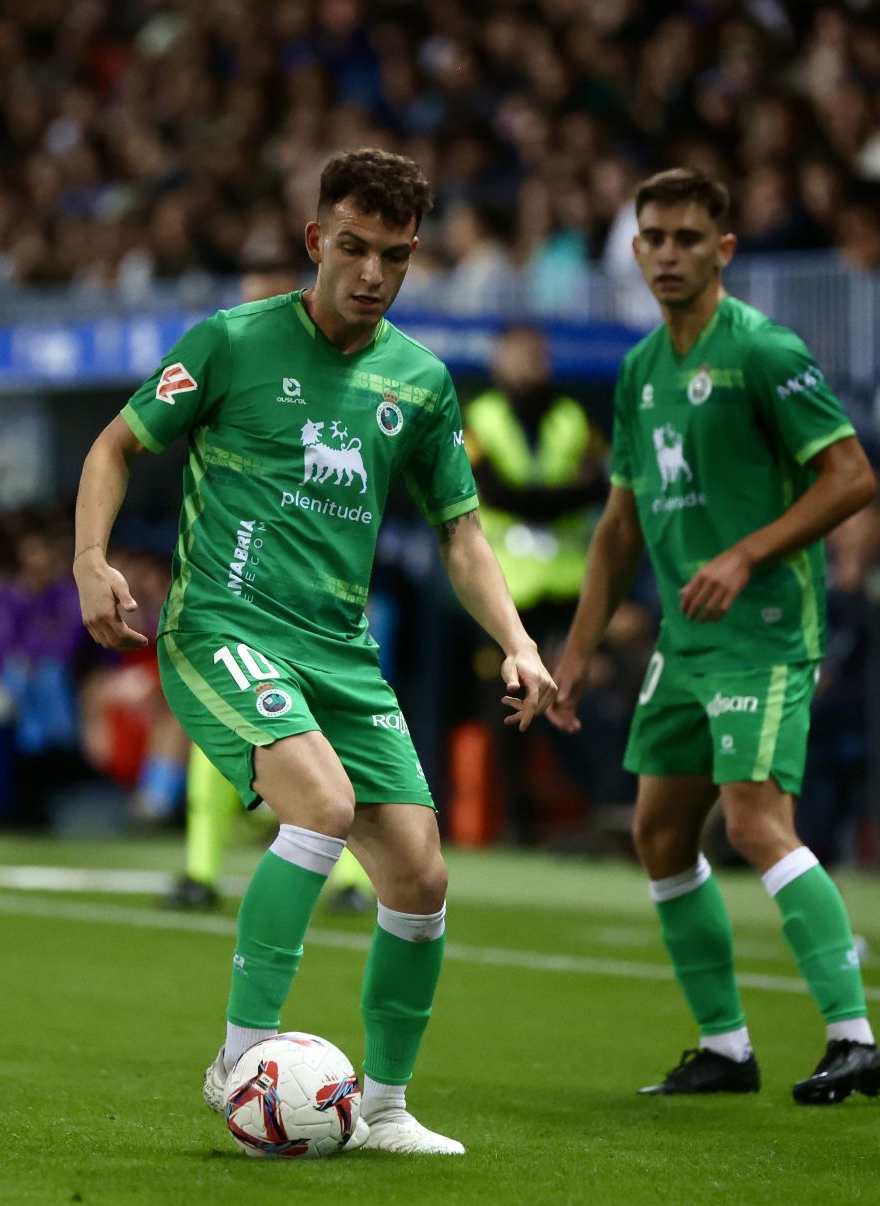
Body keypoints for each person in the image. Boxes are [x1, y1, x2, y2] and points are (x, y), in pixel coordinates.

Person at [73, 148, 556, 1155]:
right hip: (223, 629)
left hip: (340, 652)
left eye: (395, 255)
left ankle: (382, 1110)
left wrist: (516, 640)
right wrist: (89, 558)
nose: (372, 273)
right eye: (353, 248)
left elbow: (464, 533)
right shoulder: (232, 341)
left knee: (422, 878)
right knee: (325, 806)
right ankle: (240, 1060)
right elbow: (116, 445)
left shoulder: (418, 382)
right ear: (314, 242)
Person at [549, 168, 880, 1103]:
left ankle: (854, 1037)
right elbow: (619, 526)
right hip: (685, 639)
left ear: (724, 250)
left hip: (768, 628)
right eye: (653, 238)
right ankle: (727, 1049)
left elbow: (852, 476)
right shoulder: (637, 371)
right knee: (660, 833)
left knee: (750, 819)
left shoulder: (766, 352)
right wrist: (574, 656)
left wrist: (746, 555)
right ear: (634, 250)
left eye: (688, 239)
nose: (668, 254)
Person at [463, 325, 606, 843]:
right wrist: (557, 497)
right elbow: (491, 491)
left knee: (576, 701)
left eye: (536, 356)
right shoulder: (479, 417)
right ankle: (514, 826)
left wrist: (538, 498)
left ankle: (595, 817)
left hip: (567, 591)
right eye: (517, 357)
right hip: (504, 594)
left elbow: (598, 484)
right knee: (505, 709)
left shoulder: (574, 417)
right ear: (498, 362)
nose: (527, 367)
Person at [162, 744, 375, 912]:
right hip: (238, 699)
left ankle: (352, 883)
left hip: (301, 701)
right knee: (207, 775)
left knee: (336, 773)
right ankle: (200, 873)